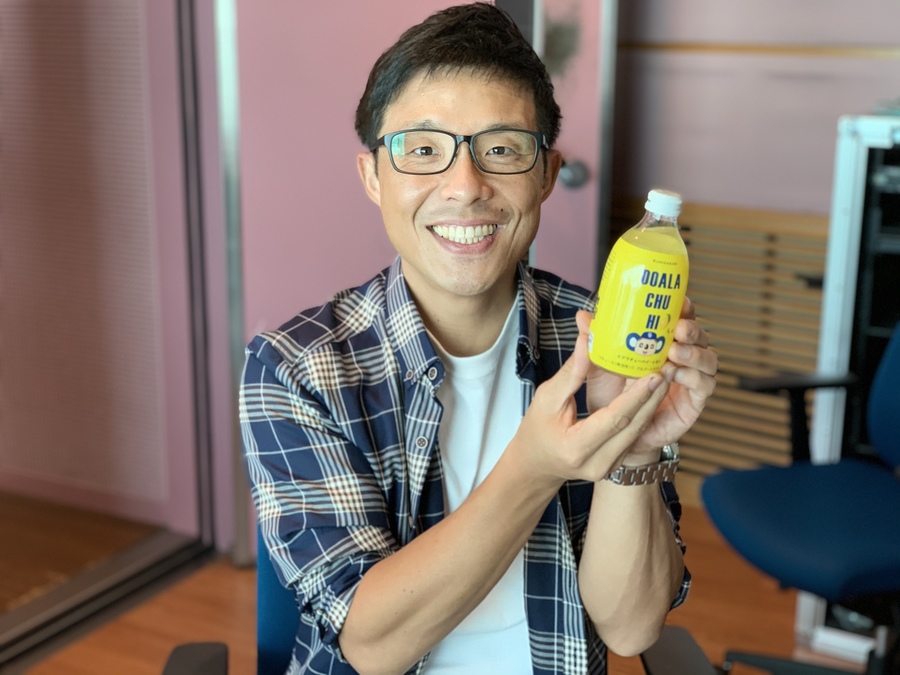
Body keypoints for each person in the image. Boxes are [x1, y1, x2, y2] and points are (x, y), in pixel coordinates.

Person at [240, 4, 718, 674]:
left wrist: (630, 449)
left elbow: (632, 627)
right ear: (373, 177)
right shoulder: (299, 367)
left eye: (501, 149)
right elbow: (372, 647)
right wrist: (535, 464)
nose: (465, 187)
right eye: (423, 150)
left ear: (546, 174)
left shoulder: (605, 337)